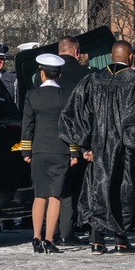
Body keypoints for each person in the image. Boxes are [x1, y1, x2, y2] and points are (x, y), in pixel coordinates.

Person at [60, 40, 135, 255]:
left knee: (97, 190)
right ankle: (121, 241)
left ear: (112, 57)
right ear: (131, 57)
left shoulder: (92, 79)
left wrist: (84, 146)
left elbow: (74, 114)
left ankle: (97, 241)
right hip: (124, 149)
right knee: (122, 190)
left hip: (98, 149)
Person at [20, 53, 72, 255]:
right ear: (58, 74)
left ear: (42, 74)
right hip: (60, 150)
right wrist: (74, 151)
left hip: (39, 149)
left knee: (39, 195)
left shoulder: (32, 95)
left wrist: (26, 150)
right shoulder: (66, 95)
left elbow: (28, 125)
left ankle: (35, 237)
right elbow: (71, 126)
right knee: (55, 197)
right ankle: (50, 239)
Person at [55, 36, 91, 243]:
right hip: (77, 139)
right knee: (72, 188)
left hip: (49, 140)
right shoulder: (86, 75)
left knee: (51, 189)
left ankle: (50, 228)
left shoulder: (43, 76)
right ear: (77, 53)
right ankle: (69, 229)